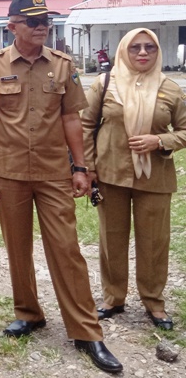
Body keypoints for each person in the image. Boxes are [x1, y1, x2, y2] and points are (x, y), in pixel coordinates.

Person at [0, 0, 122, 373]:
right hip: (8, 172)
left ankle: (87, 331)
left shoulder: (63, 65)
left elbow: (73, 119)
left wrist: (81, 167)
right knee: (17, 247)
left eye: (45, 22)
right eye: (32, 21)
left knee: (67, 249)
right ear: (12, 26)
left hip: (55, 173)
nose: (41, 27)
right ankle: (29, 312)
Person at [81, 28, 186, 331]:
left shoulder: (171, 89)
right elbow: (86, 126)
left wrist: (160, 141)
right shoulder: (104, 85)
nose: (142, 53)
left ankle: (154, 302)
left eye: (149, 48)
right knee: (111, 239)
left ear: (157, 53)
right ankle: (113, 298)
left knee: (154, 242)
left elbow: (183, 130)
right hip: (111, 174)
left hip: (154, 178)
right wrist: (88, 169)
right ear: (124, 51)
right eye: (136, 48)